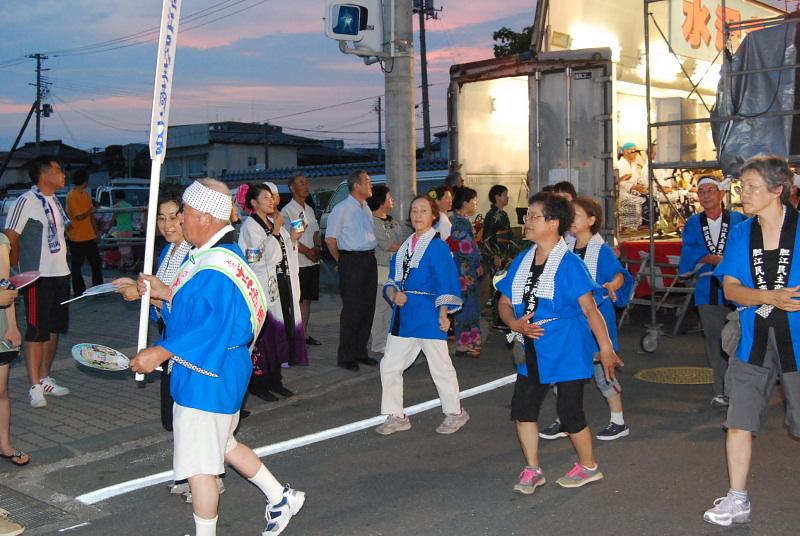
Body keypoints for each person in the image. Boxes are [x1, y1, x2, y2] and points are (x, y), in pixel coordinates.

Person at [130, 179, 305, 536]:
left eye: (187, 215)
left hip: (207, 373)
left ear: (205, 217)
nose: (181, 223)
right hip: (224, 368)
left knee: (200, 470)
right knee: (223, 444)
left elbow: (207, 327)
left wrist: (158, 353)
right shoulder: (219, 256)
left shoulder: (214, 268)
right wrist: (164, 292)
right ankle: (280, 496)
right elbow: (204, 313)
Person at [496, 192, 623, 494]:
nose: (526, 221)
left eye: (533, 216)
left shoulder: (569, 264)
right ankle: (532, 468)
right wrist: (514, 323)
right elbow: (504, 301)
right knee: (523, 409)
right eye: (527, 215)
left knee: (569, 412)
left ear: (553, 223)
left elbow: (591, 310)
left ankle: (589, 466)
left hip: (566, 347)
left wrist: (606, 348)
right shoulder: (522, 259)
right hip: (530, 344)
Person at [703, 156, 800, 527]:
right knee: (739, 420)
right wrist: (770, 297)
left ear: (778, 190)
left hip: (797, 343)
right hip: (752, 342)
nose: (744, 194)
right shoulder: (743, 232)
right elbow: (730, 288)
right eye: (742, 187)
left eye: (752, 187)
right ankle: (737, 498)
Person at [539, 197, 635, 441]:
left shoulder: (601, 250)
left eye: (576, 215)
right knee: (564, 372)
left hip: (596, 318)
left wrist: (613, 284)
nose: (571, 219)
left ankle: (618, 421)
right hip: (571, 321)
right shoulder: (564, 246)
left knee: (604, 372)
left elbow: (619, 274)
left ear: (592, 221)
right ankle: (565, 419)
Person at [376, 195, 470, 435]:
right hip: (405, 315)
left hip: (429, 312)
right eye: (414, 210)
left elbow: (445, 282)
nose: (418, 215)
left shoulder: (438, 247)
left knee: (440, 366)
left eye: (424, 211)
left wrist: (444, 312)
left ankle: (455, 412)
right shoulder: (406, 245)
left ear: (433, 216)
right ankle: (396, 415)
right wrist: (394, 295)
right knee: (390, 364)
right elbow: (392, 280)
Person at [4, 155, 71, 409]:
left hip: (60, 274)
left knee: (53, 329)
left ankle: (45, 378)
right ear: (45, 175)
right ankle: (34, 385)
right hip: (37, 277)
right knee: (36, 330)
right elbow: (9, 240)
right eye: (59, 170)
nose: (63, 174)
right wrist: (15, 275)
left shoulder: (55, 201)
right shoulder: (25, 202)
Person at [679, 177, 747, 408]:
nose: (706, 195)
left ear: (722, 194)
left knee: (742, 338)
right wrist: (714, 258)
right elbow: (690, 250)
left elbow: (747, 247)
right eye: (702, 192)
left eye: (711, 190)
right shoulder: (693, 223)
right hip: (707, 289)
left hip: (739, 289)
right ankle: (721, 389)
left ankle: (741, 388)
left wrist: (726, 260)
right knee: (715, 340)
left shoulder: (738, 220)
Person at [239, 183, 305, 401]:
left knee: (279, 332)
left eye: (271, 197)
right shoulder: (251, 226)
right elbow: (257, 259)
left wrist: (293, 236)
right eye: (265, 198)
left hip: (280, 283)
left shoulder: (272, 221)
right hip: (262, 287)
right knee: (263, 338)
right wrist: (277, 231)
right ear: (253, 203)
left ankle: (276, 379)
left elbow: (284, 248)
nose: (270, 201)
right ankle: (259, 383)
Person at [325, 170, 378, 371]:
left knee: (367, 307)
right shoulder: (342, 208)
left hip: (368, 260)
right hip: (351, 260)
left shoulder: (365, 208)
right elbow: (330, 239)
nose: (370, 185)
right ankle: (346, 356)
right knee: (352, 310)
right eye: (368, 182)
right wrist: (342, 260)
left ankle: (360, 351)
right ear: (357, 186)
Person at [281, 173, 323, 346]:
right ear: (292, 188)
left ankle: (304, 334)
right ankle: (294, 336)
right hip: (298, 261)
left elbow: (315, 232)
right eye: (301, 183)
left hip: (312, 261)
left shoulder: (310, 209)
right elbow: (288, 238)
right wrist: (307, 251)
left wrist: (317, 248)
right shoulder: (287, 211)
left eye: (307, 183)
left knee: (307, 299)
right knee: (297, 300)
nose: (306, 186)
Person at [368, 185, 406, 356]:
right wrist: (406, 248)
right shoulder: (372, 221)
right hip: (380, 269)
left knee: (392, 307)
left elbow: (402, 239)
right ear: (381, 201)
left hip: (394, 270)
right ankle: (378, 343)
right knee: (380, 307)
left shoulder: (392, 221)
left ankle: (389, 339)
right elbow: (387, 245)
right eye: (389, 197)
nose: (392, 200)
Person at [1, 232, 26, 468]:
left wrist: (13, 326)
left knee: (0, 391)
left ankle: (5, 445)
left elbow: (4, 285)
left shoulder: (1, 242)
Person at [451, 187, 483, 357]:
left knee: (467, 305)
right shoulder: (460, 223)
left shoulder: (460, 221)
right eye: (474, 201)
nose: (475, 204)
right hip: (464, 271)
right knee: (467, 306)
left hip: (464, 270)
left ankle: (466, 342)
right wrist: (477, 261)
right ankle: (465, 343)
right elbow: (467, 248)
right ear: (465, 203)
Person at [65, 169, 102, 296]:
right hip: (76, 237)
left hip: (88, 236)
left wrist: (97, 232)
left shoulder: (85, 195)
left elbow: (91, 216)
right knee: (77, 267)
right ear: (85, 181)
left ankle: (98, 290)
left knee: (96, 264)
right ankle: (79, 291)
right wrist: (92, 211)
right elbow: (79, 216)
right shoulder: (71, 195)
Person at [482, 185, 514, 331]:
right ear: (497, 197)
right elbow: (487, 238)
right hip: (498, 257)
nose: (507, 197)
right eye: (505, 194)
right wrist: (495, 255)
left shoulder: (502, 213)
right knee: (497, 286)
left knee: (503, 286)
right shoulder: (493, 215)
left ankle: (503, 319)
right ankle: (498, 319)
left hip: (504, 255)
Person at [113, 190, 135, 271]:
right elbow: (131, 217)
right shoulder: (130, 205)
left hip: (121, 229)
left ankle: (122, 264)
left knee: (122, 246)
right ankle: (128, 263)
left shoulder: (116, 206)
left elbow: (113, 219)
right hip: (129, 228)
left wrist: (107, 228)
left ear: (116, 197)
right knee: (128, 246)